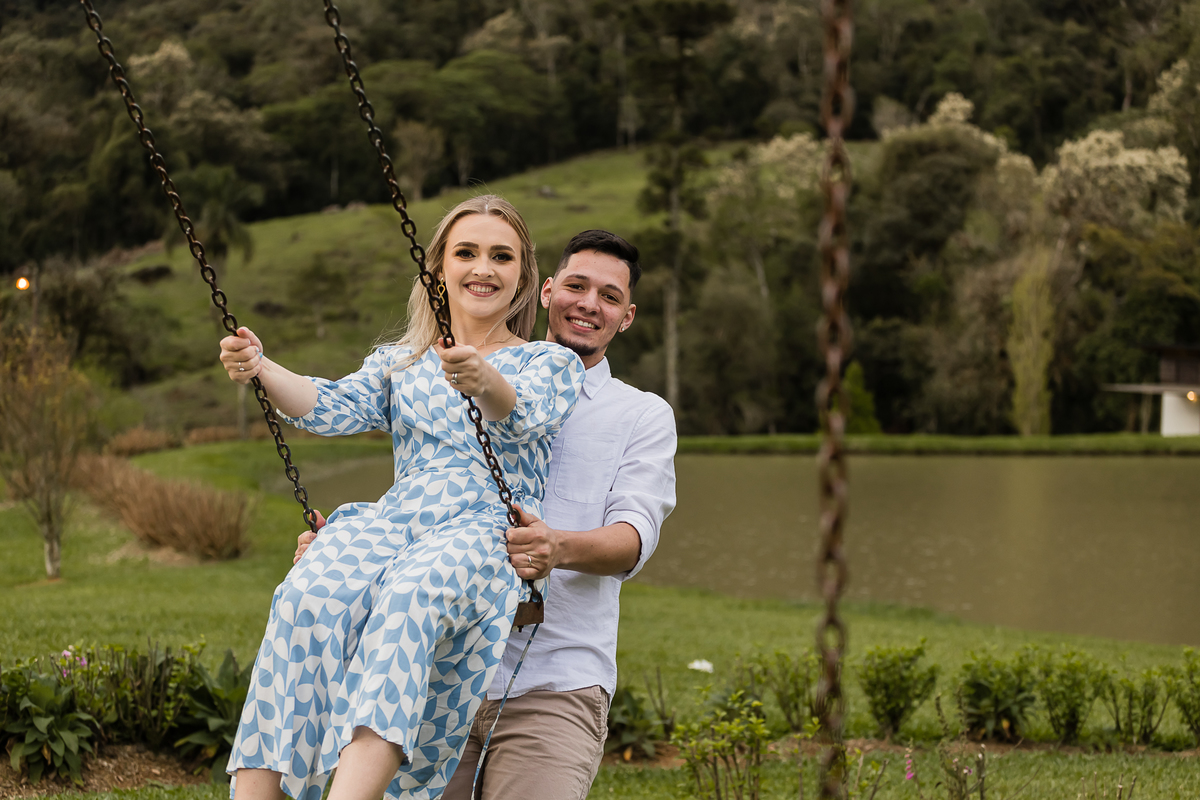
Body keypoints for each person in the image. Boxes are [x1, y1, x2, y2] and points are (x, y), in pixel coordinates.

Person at [218, 195, 585, 800]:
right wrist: (261, 366)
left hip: (484, 530)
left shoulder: (547, 362)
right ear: (438, 269)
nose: (483, 268)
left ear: (524, 277)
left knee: (411, 597)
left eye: (502, 256)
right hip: (398, 521)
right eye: (466, 253)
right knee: (306, 596)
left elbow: (520, 413)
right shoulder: (403, 361)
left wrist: (483, 379)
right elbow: (327, 405)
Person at [296, 229, 678, 800]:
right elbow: (424, 503)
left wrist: (559, 547)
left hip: (553, 683)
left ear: (626, 317)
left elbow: (633, 539)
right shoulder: (461, 374)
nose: (589, 304)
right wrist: (351, 549)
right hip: (434, 672)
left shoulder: (641, 414)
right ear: (546, 291)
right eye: (576, 286)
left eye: (609, 296)